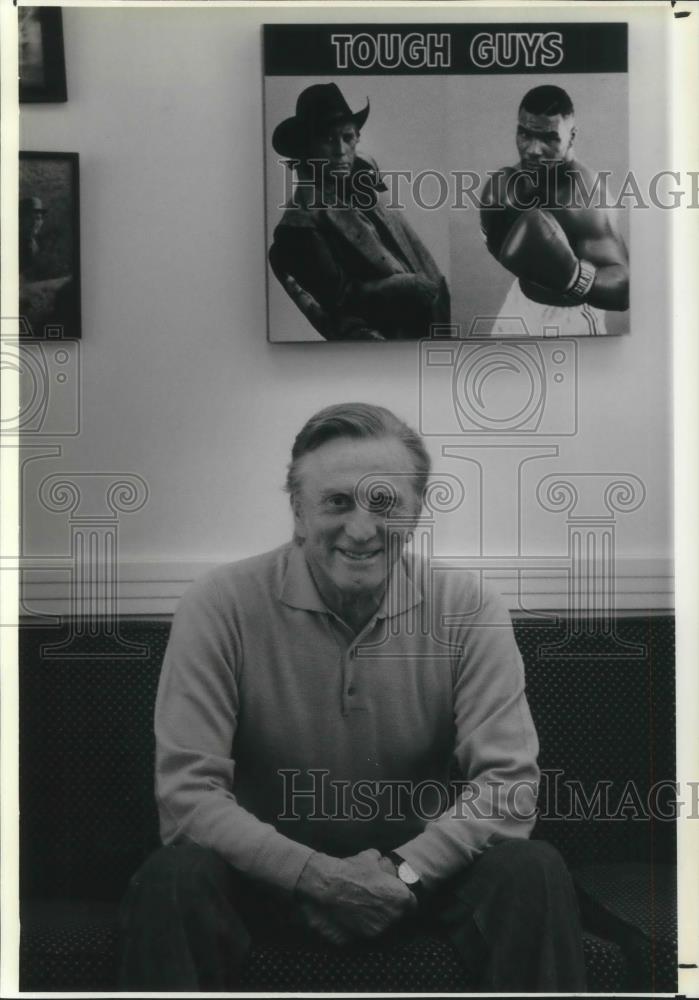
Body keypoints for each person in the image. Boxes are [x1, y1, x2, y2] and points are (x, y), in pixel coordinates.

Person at [118, 402, 587, 992]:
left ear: (418, 510)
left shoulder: (469, 606)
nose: (361, 529)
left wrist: (401, 873)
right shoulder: (219, 604)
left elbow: (508, 787)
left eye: (385, 503)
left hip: (419, 880)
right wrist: (315, 877)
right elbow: (187, 797)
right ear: (296, 510)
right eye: (337, 502)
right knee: (173, 877)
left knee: (532, 870)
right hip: (266, 883)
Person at [268, 84, 450, 341]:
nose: (341, 151)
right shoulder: (299, 226)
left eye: (348, 137)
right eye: (328, 139)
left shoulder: (365, 186)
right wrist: (404, 286)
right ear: (306, 148)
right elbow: (339, 302)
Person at [480, 85, 629, 337]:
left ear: (571, 136)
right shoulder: (514, 181)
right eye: (525, 134)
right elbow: (509, 252)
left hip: (571, 319)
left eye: (549, 138)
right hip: (519, 302)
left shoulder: (587, 199)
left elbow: (624, 288)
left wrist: (572, 276)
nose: (533, 150)